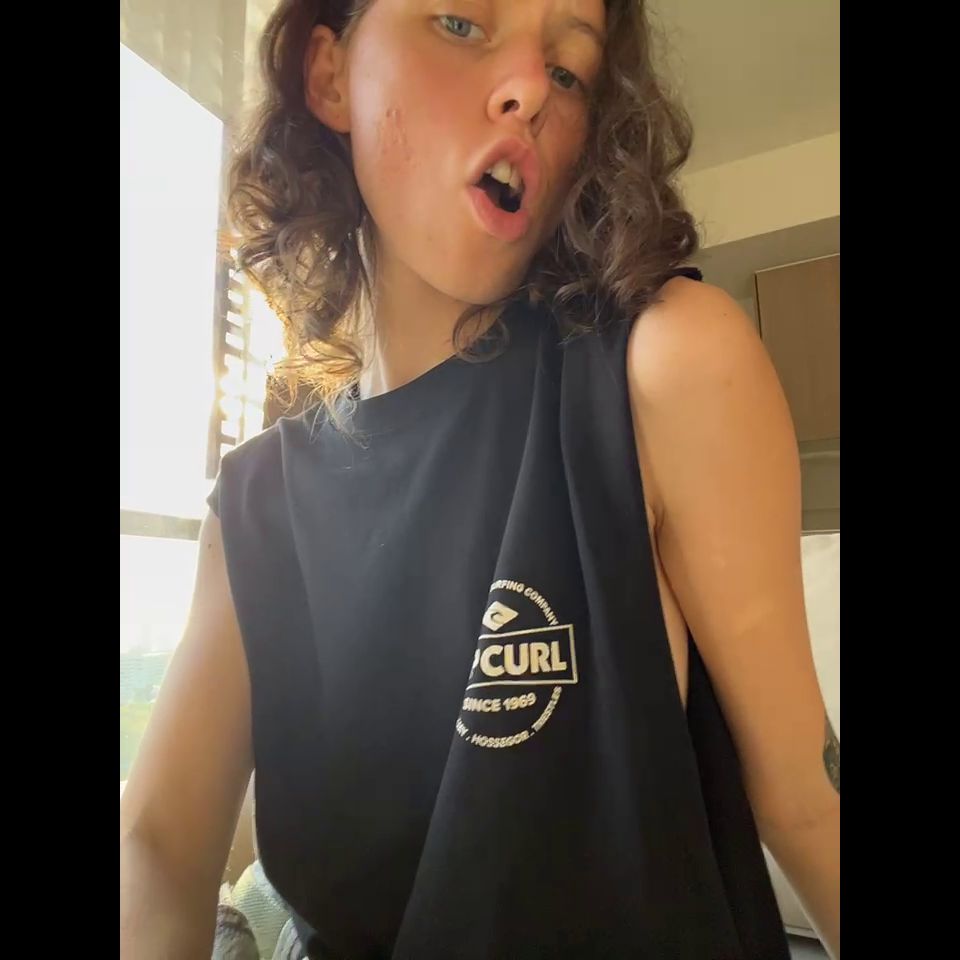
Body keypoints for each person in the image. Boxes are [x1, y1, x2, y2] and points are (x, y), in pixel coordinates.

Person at [120, 1, 841, 957]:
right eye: (461, 22)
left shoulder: (661, 369)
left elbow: (808, 802)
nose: (532, 88)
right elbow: (159, 846)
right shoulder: (256, 506)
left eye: (570, 70)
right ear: (329, 75)